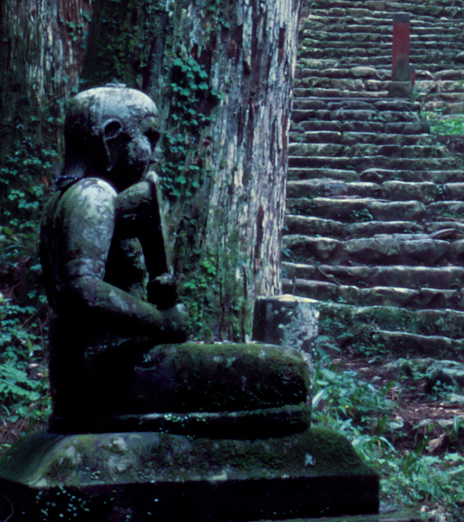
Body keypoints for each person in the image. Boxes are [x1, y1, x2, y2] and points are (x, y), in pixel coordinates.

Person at [39, 86, 308, 436]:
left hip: (86, 379)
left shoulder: (64, 199)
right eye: (149, 137)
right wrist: (161, 322)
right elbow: (82, 289)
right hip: (112, 374)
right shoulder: (94, 194)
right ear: (110, 137)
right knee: (287, 372)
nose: (153, 155)